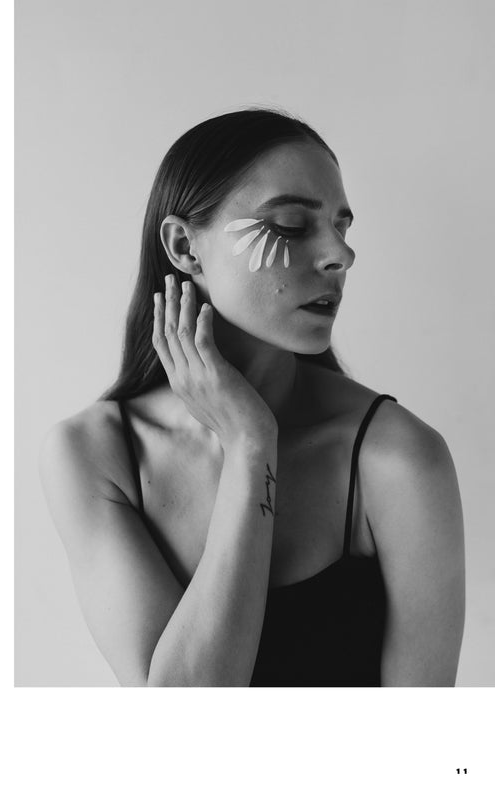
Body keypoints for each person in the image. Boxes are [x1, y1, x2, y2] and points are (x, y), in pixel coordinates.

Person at [39, 108, 465, 687]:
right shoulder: (94, 453)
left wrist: (249, 440)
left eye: (342, 227)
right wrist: (250, 443)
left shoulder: (398, 458)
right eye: (290, 225)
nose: (341, 255)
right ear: (185, 247)